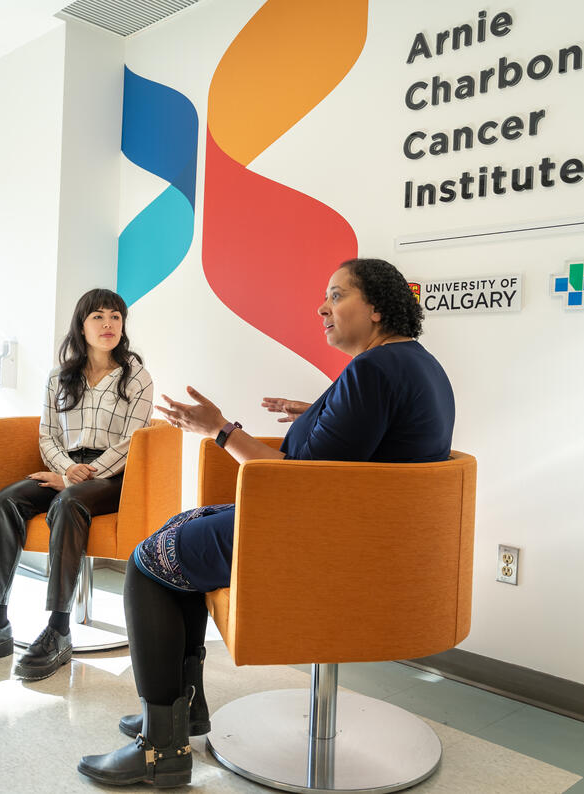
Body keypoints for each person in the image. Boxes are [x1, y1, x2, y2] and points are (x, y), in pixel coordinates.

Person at [78, 258, 455, 787]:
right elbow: (366, 450)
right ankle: (182, 713)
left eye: (337, 294)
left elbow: (297, 484)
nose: (322, 306)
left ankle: (160, 748)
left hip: (305, 538)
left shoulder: (371, 372)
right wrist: (321, 411)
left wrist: (219, 428)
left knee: (148, 560)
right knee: (180, 534)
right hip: (354, 538)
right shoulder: (414, 364)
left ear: (375, 309)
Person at [0, 288, 153, 681]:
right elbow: (47, 435)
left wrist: (79, 476)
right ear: (81, 325)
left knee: (69, 502)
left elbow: (134, 441)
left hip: (112, 477)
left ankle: (58, 630)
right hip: (64, 469)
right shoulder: (59, 377)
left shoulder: (136, 377)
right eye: (98, 317)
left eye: (115, 317)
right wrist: (63, 472)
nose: (108, 325)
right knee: (5, 500)